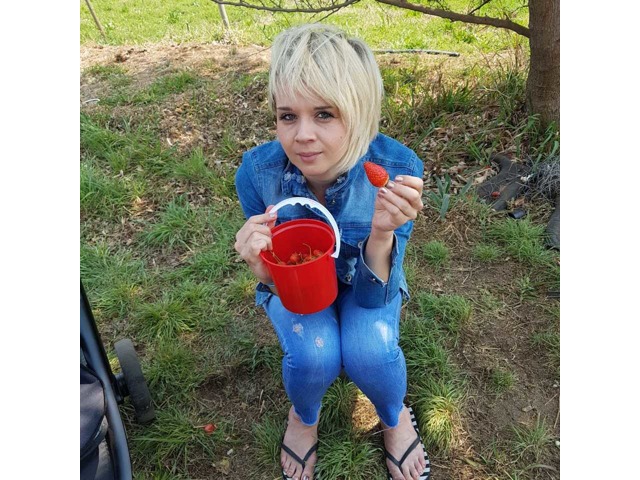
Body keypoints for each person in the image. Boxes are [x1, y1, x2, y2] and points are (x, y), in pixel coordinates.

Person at [234, 24, 429, 480]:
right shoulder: (258, 175)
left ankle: (393, 416)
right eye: (287, 116)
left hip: (368, 285)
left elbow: (376, 293)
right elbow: (274, 280)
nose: (302, 135)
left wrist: (381, 232)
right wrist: (262, 269)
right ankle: (304, 417)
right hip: (298, 290)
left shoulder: (397, 171)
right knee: (313, 355)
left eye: (324, 114)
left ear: (359, 112)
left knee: (370, 351)